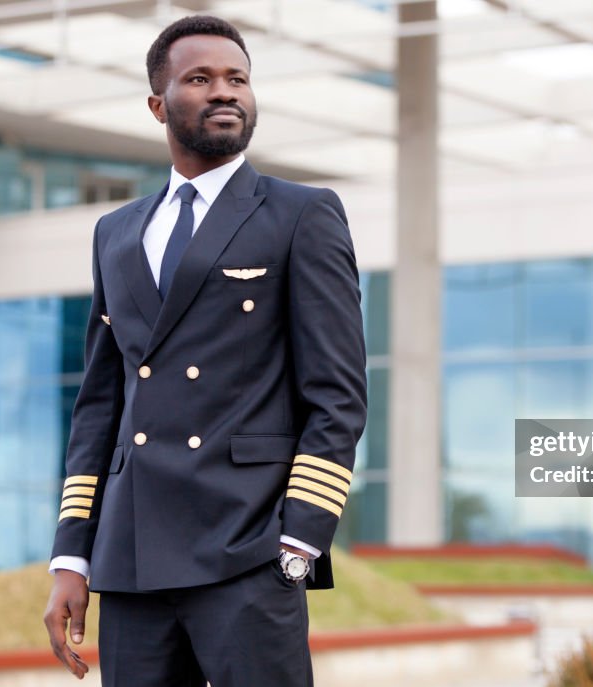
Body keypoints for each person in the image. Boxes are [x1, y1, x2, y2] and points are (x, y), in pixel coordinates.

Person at [42, 15, 367, 687]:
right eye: (200, 79)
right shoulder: (116, 232)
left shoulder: (302, 214)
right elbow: (99, 405)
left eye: (237, 79)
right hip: (132, 558)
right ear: (159, 104)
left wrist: (297, 545)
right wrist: (72, 553)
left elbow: (337, 394)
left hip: (248, 550)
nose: (225, 92)